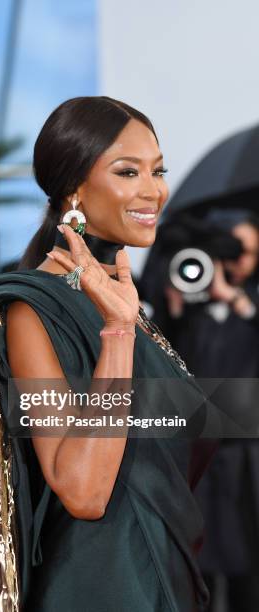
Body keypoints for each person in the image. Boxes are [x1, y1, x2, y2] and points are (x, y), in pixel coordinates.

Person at [0, 97, 218, 612]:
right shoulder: (31, 309)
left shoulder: (123, 301)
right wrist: (116, 335)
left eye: (158, 171)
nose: (152, 190)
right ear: (73, 189)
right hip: (105, 586)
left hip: (165, 577)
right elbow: (82, 490)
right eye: (127, 171)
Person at [156, 209, 259, 612]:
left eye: (245, 252)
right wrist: (178, 306)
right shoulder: (189, 301)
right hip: (196, 449)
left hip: (246, 452)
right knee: (200, 559)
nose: (236, 261)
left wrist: (236, 300)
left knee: (249, 559)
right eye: (227, 251)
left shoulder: (250, 304)